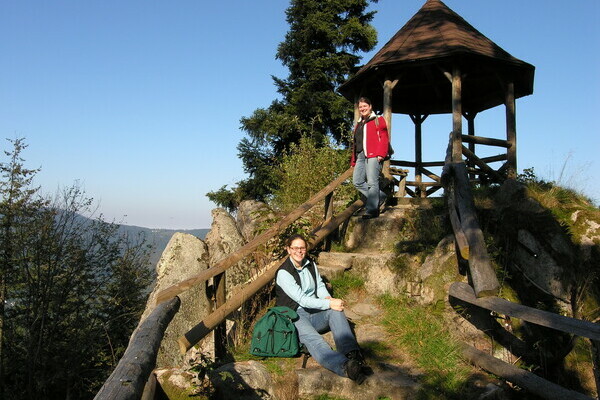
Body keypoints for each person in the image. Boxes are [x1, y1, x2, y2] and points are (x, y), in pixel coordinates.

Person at [275, 234, 367, 384]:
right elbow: (302, 299)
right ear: (288, 250)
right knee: (315, 341)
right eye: (295, 248)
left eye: (302, 248)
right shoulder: (284, 273)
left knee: (336, 311)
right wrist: (328, 304)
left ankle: (353, 356)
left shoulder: (310, 264)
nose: (299, 251)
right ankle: (345, 367)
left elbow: (319, 285)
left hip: (314, 311)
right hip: (295, 314)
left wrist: (328, 300)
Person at [351, 96, 390, 219]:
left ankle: (372, 210)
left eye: (364, 106)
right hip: (360, 155)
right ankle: (381, 197)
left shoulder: (378, 119)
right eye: (360, 107)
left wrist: (380, 154)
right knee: (357, 181)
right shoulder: (358, 124)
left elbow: (384, 138)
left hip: (374, 154)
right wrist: (353, 160)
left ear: (370, 106)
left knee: (372, 182)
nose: (362, 108)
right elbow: (356, 142)